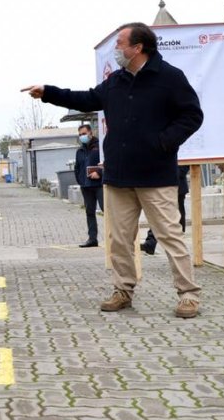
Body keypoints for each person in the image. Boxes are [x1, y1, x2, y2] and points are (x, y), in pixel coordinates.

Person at [21, 22, 205, 318]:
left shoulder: (169, 77)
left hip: (156, 176)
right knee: (119, 239)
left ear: (138, 48)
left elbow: (192, 115)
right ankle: (123, 290)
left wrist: (163, 142)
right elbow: (85, 98)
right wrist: (48, 92)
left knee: (170, 236)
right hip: (119, 176)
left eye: (120, 43)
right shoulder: (116, 81)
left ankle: (188, 295)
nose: (116, 49)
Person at [142, 165, 189, 255]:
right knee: (158, 214)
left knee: (178, 217)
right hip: (161, 185)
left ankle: (178, 241)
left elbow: (184, 167)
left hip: (177, 186)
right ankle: (151, 242)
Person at [73, 123, 103, 248]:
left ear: (91, 133)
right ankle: (92, 239)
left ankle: (115, 238)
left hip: (100, 184)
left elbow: (108, 162)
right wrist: (80, 181)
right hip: (86, 186)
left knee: (107, 210)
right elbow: (77, 167)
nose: (82, 136)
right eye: (80, 135)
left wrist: (100, 173)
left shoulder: (100, 147)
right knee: (89, 212)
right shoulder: (80, 150)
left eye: (84, 134)